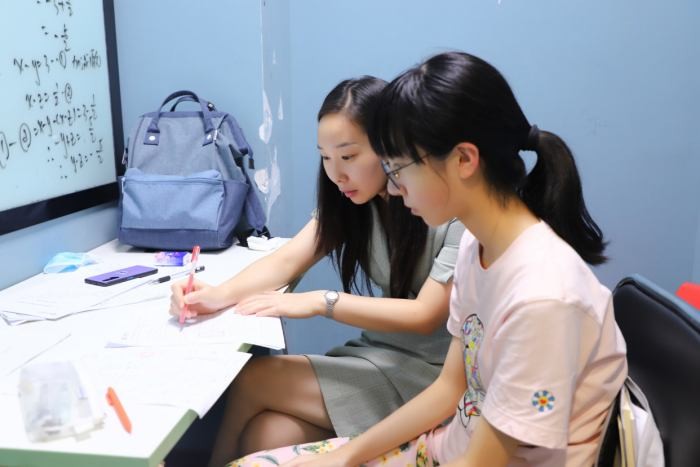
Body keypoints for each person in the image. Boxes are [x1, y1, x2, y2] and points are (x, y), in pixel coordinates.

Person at [228, 51, 628, 467]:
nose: (394, 188)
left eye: (400, 168)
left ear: (464, 160)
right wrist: (345, 457)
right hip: (442, 445)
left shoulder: (542, 299)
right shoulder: (479, 248)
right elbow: (448, 390)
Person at [169, 76, 465, 466]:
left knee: (252, 379)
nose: (336, 174)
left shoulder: (448, 210)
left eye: (348, 156)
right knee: (267, 434)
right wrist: (213, 295)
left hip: (430, 375)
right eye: (325, 158)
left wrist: (321, 302)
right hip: (379, 354)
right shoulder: (352, 204)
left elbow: (426, 315)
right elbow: (287, 260)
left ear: (390, 145)